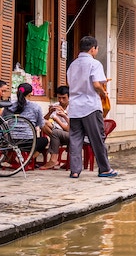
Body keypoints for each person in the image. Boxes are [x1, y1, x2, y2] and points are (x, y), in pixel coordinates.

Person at [66, 36, 117, 178]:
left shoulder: (73, 65)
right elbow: (96, 84)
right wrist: (103, 91)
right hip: (90, 106)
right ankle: (105, 169)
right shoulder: (95, 64)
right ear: (93, 49)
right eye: (97, 48)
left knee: (75, 139)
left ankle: (75, 171)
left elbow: (70, 83)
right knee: (97, 138)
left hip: (75, 106)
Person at [3, 82, 48, 158]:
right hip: (28, 142)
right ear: (30, 94)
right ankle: (29, 159)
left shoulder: (8, 106)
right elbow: (40, 124)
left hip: (10, 141)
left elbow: (3, 120)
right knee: (45, 140)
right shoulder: (36, 107)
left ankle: (14, 159)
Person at [40, 85, 71, 170]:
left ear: (69, 97)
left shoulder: (73, 107)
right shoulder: (56, 105)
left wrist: (62, 115)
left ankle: (53, 160)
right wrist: (49, 113)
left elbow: (69, 129)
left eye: (64, 98)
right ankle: (56, 140)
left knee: (55, 133)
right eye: (59, 98)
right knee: (43, 123)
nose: (61, 100)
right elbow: (44, 120)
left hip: (69, 133)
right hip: (57, 131)